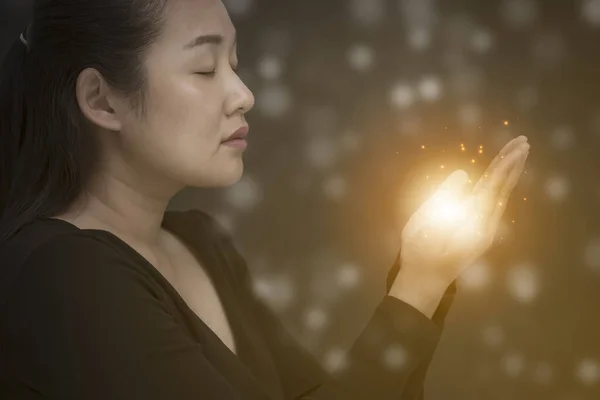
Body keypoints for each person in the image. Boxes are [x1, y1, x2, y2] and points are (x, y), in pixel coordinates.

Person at [0, 0, 530, 399]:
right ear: (101, 99)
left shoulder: (202, 244)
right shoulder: (62, 275)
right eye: (206, 69)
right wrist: (420, 282)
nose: (243, 94)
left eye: (234, 63)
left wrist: (427, 275)